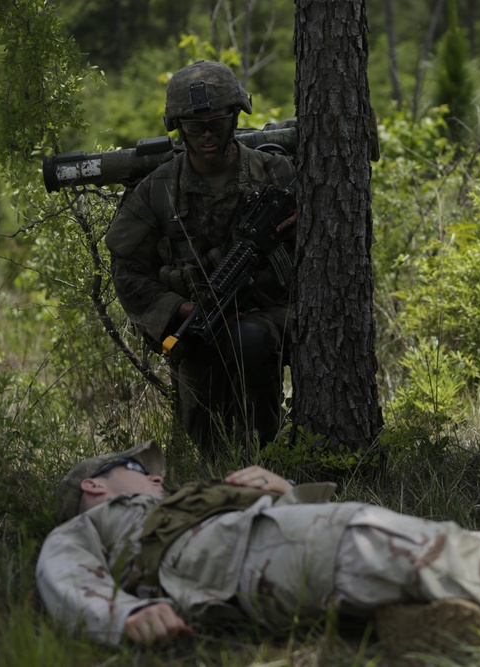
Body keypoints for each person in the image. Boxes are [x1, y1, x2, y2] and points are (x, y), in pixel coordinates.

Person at [37, 439, 480, 655]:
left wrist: (280, 487)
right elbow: (62, 574)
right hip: (233, 560)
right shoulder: (96, 523)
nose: (153, 474)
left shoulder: (173, 500)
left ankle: (411, 627)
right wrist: (123, 614)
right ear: (96, 488)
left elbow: (287, 527)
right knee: (386, 539)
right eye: (136, 468)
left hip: (269, 547)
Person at [105, 60, 297, 459]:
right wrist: (181, 308)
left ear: (235, 117)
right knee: (209, 448)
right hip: (200, 324)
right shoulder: (157, 190)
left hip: (272, 313)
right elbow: (128, 271)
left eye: (216, 123)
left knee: (251, 340)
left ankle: (272, 452)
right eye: (194, 126)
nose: (206, 135)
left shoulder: (275, 173)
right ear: (178, 128)